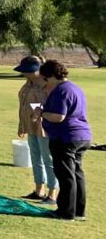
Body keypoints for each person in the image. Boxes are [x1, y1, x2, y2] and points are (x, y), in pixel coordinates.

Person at [36, 60, 92, 221]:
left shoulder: (61, 90)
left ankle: (66, 212)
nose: (46, 83)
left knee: (66, 175)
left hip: (65, 137)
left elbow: (58, 116)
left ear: (52, 76)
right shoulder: (76, 88)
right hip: (82, 136)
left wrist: (42, 113)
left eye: (46, 79)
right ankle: (79, 211)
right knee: (77, 173)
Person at [14, 55, 57, 205]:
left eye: (28, 71)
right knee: (35, 158)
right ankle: (39, 190)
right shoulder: (28, 82)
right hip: (30, 125)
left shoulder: (47, 84)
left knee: (48, 159)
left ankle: (52, 194)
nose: (25, 73)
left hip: (44, 127)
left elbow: (54, 106)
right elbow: (23, 104)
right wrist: (22, 124)